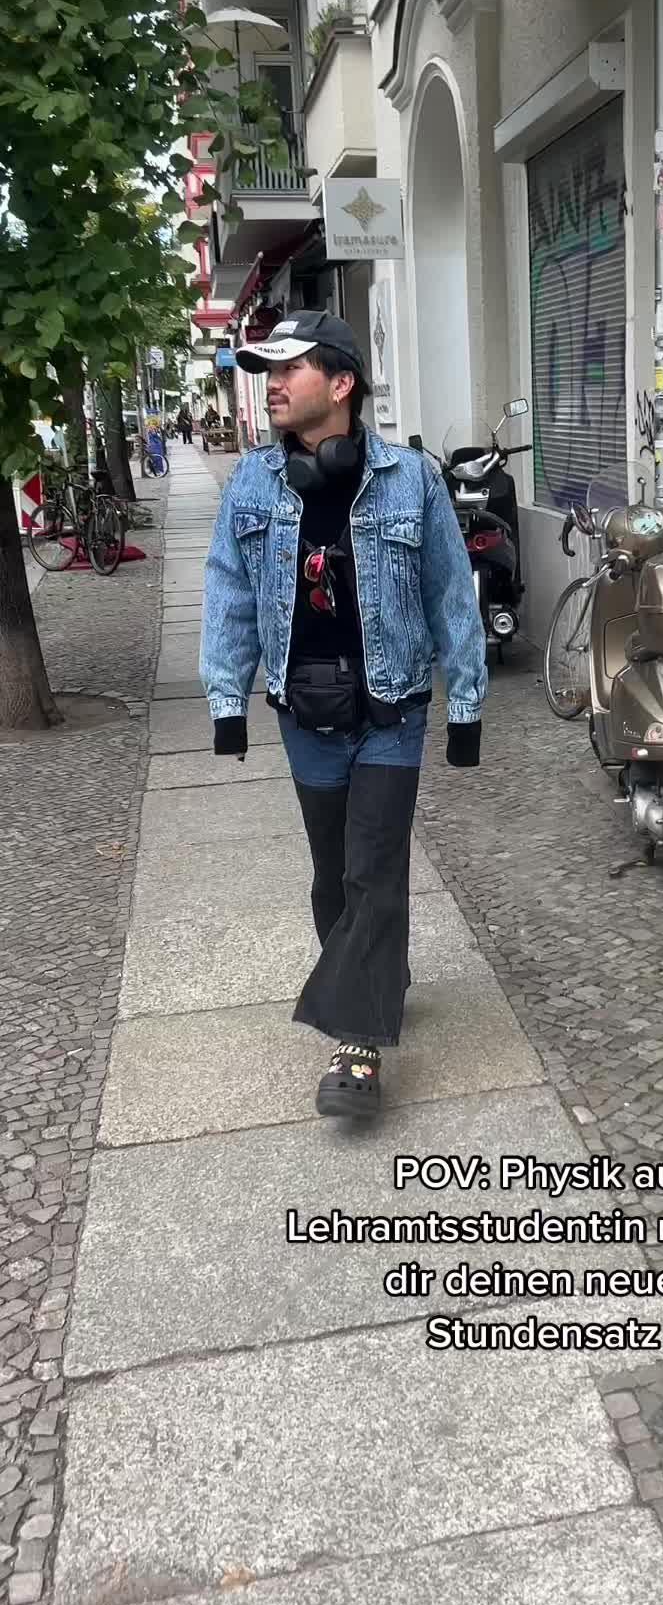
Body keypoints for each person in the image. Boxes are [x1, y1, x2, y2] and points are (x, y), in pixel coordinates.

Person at [199, 311, 486, 1122]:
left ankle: (357, 1046)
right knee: (334, 876)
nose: (273, 383)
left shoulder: (411, 479)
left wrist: (466, 705)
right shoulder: (253, 483)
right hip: (305, 715)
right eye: (267, 370)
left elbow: (449, 594)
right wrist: (227, 698)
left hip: (391, 712)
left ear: (342, 382)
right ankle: (379, 974)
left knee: (373, 871)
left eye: (289, 368)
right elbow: (229, 592)